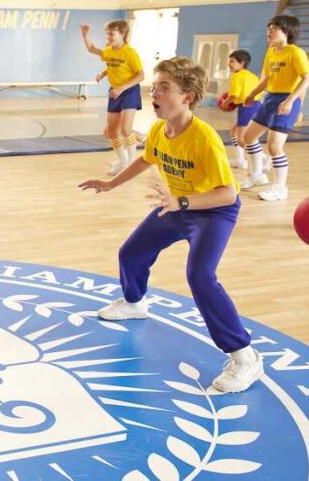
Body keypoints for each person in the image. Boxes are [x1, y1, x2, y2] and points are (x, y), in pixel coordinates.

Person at [79, 56, 262, 393]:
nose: (155, 92)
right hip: (176, 205)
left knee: (200, 277)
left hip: (212, 211)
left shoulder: (204, 138)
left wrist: (184, 202)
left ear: (188, 96)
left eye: (164, 88)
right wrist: (110, 184)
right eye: (155, 86)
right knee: (132, 252)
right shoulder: (160, 130)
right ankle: (135, 304)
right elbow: (147, 158)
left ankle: (244, 356)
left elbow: (226, 194)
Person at [240, 15, 309, 201]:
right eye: (269, 28)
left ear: (287, 32)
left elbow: (307, 79)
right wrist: (252, 94)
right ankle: (257, 175)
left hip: (287, 100)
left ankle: (280, 188)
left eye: (274, 29)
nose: (269, 31)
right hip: (270, 99)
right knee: (248, 137)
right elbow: (267, 79)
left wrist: (289, 101)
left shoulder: (295, 53)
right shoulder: (271, 51)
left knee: (274, 147)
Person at [80, 20, 144, 175]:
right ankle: (123, 162)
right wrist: (85, 35)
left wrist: (122, 88)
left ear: (122, 34)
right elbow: (92, 50)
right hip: (115, 92)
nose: (109, 36)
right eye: (107, 33)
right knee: (111, 132)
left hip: (129, 91)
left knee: (125, 128)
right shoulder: (109, 50)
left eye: (112, 33)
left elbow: (141, 75)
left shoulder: (130, 53)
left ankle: (131, 163)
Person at [222, 50, 262, 169]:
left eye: (232, 61)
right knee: (234, 130)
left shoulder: (237, 76)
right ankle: (240, 160)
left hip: (246, 107)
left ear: (242, 63)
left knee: (242, 139)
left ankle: (264, 159)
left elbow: (234, 95)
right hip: (256, 105)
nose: (229, 64)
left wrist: (225, 103)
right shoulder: (253, 76)